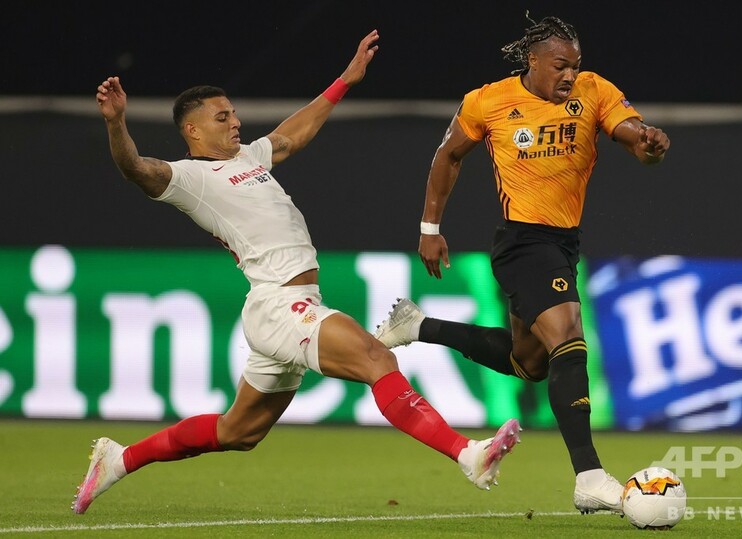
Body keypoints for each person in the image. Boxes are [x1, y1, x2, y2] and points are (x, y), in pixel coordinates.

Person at [72, 30, 522, 515]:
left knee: (238, 432)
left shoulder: (247, 158)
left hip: (289, 306)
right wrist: (116, 123)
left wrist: (345, 80)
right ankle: (467, 454)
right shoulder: (190, 177)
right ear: (193, 131)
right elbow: (136, 168)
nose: (235, 122)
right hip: (280, 307)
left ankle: (120, 459)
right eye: (222, 117)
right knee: (376, 358)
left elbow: (293, 134)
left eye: (234, 113)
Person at [374, 15, 670, 515]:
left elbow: (632, 137)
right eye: (560, 66)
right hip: (522, 242)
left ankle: (417, 325)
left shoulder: (594, 90)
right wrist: (429, 227)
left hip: (563, 243)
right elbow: (448, 156)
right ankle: (589, 476)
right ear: (532, 61)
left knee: (529, 363)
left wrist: (648, 143)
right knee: (568, 335)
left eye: (575, 66)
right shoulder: (487, 101)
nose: (569, 75)